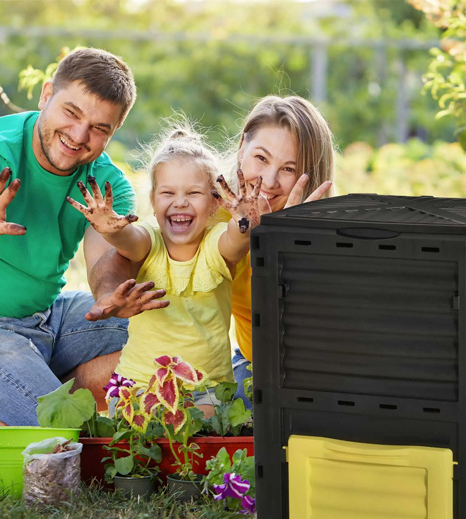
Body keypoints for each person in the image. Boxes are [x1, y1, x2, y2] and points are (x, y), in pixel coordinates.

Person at [0, 48, 166, 426]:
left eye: (99, 128)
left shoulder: (107, 185)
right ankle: (36, 400)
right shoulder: (1, 148)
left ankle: (28, 390)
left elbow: (105, 258)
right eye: (71, 113)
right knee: (59, 435)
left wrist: (109, 295)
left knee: (169, 327)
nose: (78, 136)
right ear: (46, 95)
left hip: (48, 317)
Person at [67, 122, 263, 393]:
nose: (180, 202)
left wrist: (243, 220)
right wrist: (110, 230)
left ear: (215, 202)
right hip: (137, 387)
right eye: (168, 193)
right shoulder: (150, 238)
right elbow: (129, 241)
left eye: (193, 193)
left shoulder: (213, 243)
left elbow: (235, 242)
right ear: (153, 199)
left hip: (209, 390)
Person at [223, 95, 336, 404]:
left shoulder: (329, 233)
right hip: (252, 365)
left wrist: (290, 244)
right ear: (241, 148)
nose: (269, 182)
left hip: (320, 373)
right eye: (261, 158)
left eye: (288, 168)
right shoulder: (214, 215)